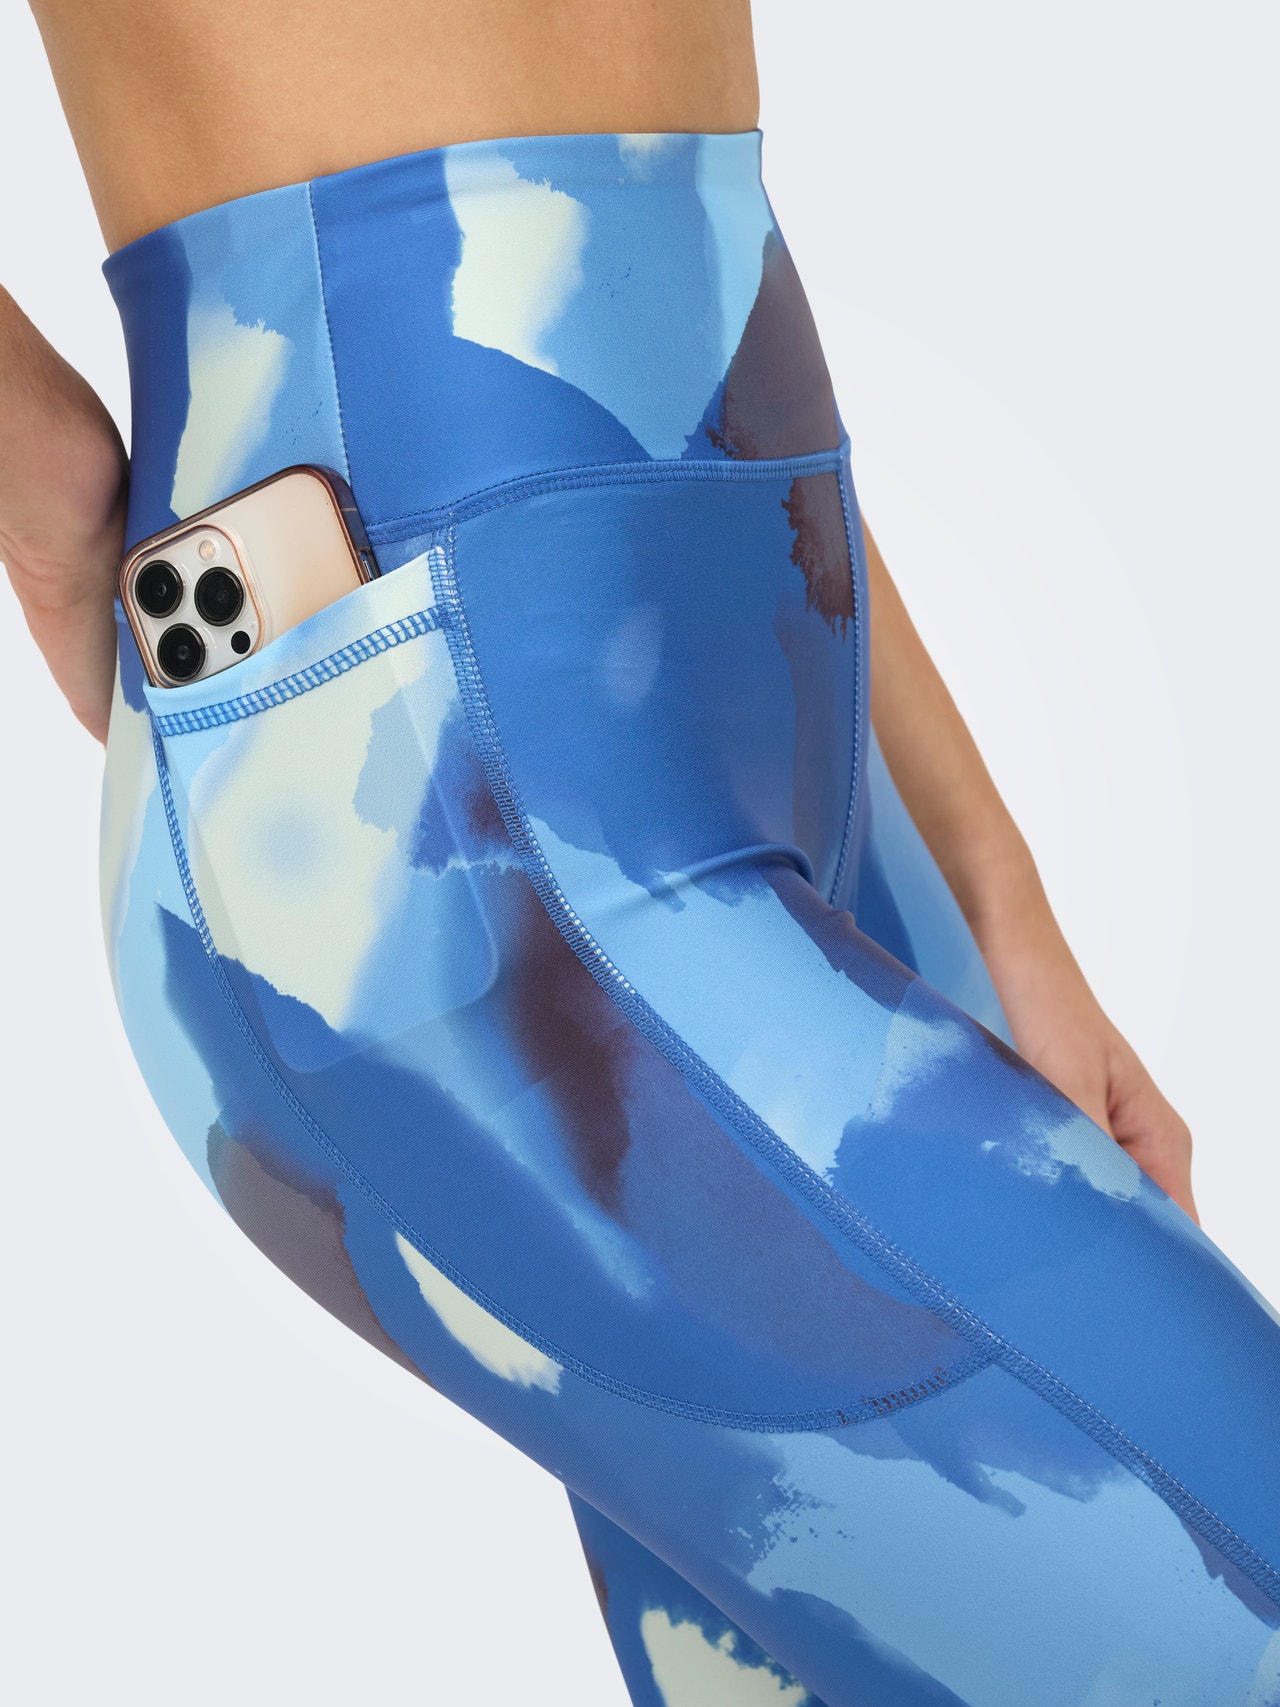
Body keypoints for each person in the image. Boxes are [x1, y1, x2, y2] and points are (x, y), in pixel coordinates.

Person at [2, 3, 1277, 1701]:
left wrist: (997, 894)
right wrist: (47, 507)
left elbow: (684, 311)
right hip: (440, 787)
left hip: (766, 692)